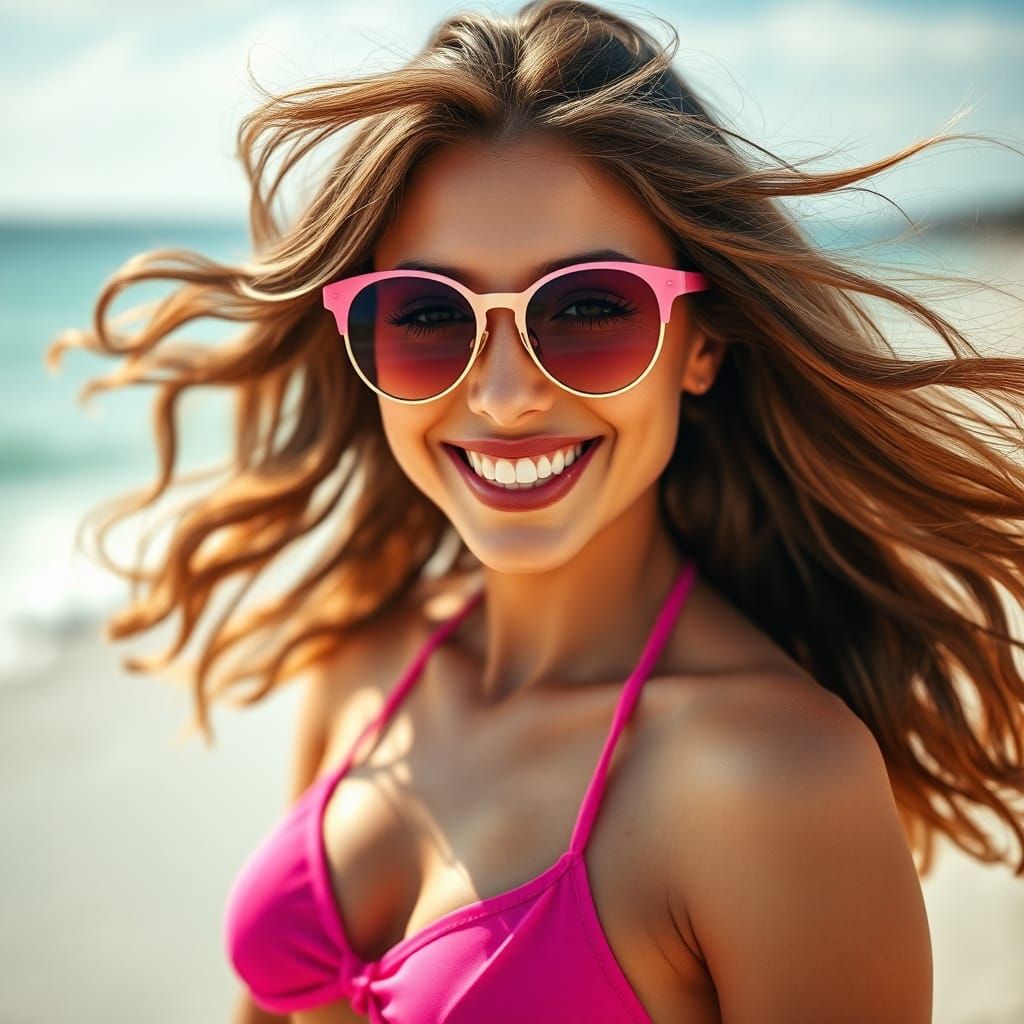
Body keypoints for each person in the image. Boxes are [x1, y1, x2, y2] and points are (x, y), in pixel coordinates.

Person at [45, 1, 1024, 1021]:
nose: (505, 395)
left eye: (589, 308)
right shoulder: (362, 666)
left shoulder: (776, 780)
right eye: (427, 315)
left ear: (700, 344)